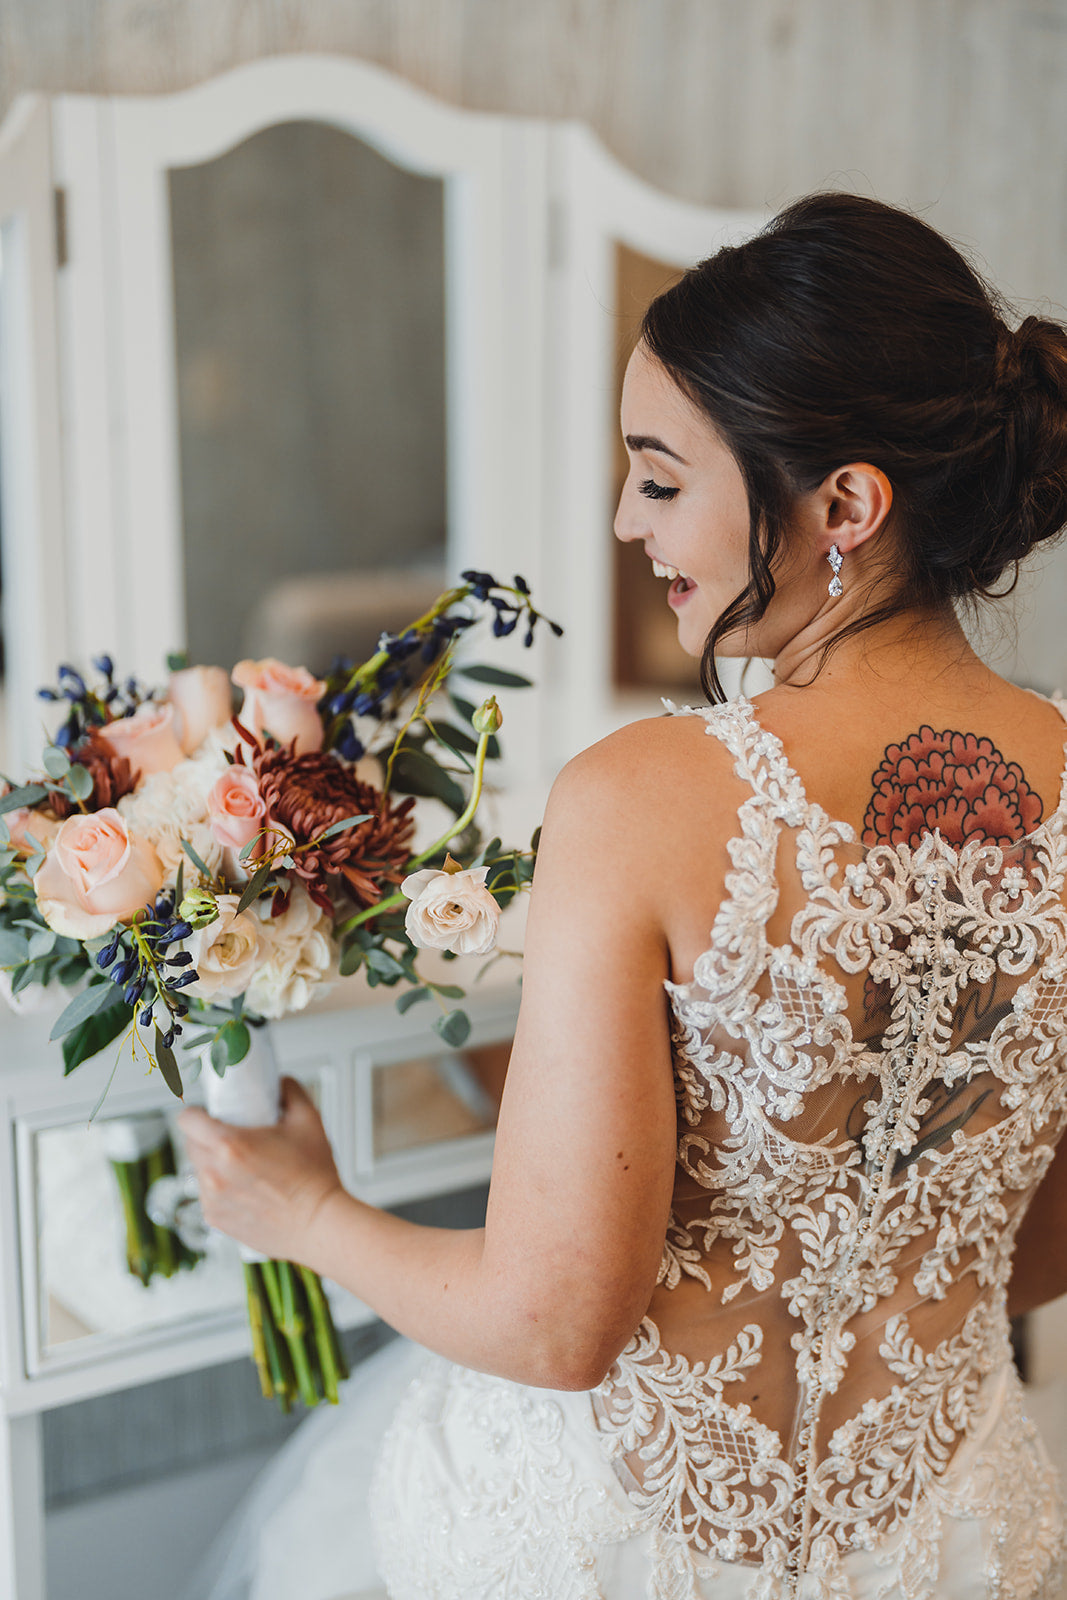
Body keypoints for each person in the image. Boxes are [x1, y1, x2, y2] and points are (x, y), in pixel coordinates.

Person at [180, 191, 1067, 1600]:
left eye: (660, 478)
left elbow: (553, 1330)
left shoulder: (639, 797)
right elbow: (1031, 1252)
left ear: (845, 503)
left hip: (635, 1549)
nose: (623, 520)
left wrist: (302, 1211)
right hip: (950, 1543)